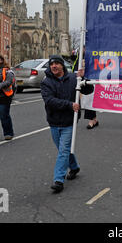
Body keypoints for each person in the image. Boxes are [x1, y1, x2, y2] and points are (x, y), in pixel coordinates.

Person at [41, 55, 94, 193]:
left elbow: (89, 90)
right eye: (52, 64)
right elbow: (50, 101)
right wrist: (69, 105)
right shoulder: (46, 82)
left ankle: (58, 180)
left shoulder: (73, 79)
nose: (54, 66)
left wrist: (83, 80)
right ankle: (74, 167)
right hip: (54, 121)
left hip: (70, 122)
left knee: (63, 151)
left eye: (57, 64)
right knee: (62, 150)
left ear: (62, 65)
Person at [71, 48, 99, 130]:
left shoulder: (91, 51)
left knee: (88, 98)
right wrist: (73, 54)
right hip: (77, 75)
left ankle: (91, 120)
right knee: (77, 99)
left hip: (87, 76)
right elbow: (73, 59)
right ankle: (93, 119)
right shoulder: (79, 51)